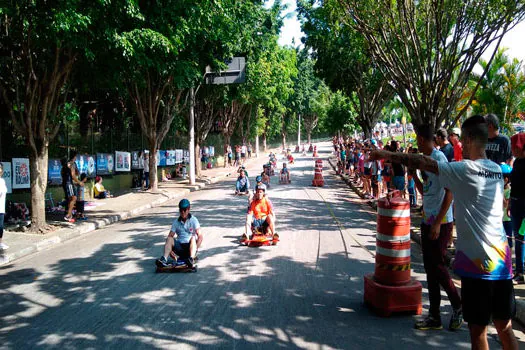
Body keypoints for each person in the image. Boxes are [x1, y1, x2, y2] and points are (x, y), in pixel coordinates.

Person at [370, 115, 517, 349]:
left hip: (478, 268)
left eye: (460, 141)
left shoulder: (464, 170)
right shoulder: (497, 171)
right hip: (503, 264)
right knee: (504, 327)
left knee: (478, 331)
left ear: (467, 140)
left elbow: (421, 161)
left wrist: (385, 155)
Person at [408, 125, 462, 331]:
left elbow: (450, 193)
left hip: (440, 222)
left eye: (417, 139)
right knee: (430, 270)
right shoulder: (426, 163)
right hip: (427, 219)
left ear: (422, 139)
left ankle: (458, 305)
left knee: (438, 267)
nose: (417, 143)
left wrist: (438, 223)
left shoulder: (440, 161)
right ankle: (434, 316)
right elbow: (427, 192)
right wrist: (413, 176)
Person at [156, 199, 202, 268]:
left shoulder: (193, 220)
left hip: (190, 247)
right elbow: (170, 236)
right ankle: (164, 260)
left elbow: (200, 236)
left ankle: (191, 259)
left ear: (188, 209)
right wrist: (170, 251)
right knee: (169, 238)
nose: (182, 212)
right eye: (181, 210)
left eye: (184, 210)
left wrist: (196, 249)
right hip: (180, 247)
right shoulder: (176, 222)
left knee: (193, 237)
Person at [510, 133, 525, 284]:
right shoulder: (516, 163)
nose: (512, 150)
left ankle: (521, 272)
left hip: (523, 206)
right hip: (515, 205)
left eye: (514, 147)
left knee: (521, 239)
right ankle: (519, 270)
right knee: (518, 239)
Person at [61, 157, 76, 223]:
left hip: (65, 184)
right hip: (69, 184)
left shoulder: (62, 169)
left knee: (69, 199)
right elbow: (73, 176)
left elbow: (63, 176)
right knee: (73, 198)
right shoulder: (69, 167)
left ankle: (68, 215)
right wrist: (79, 182)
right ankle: (68, 215)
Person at [501, 164, 513, 250]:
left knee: (508, 241)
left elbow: (506, 205)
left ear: (506, 179)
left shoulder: (509, 191)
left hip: (507, 220)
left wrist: (500, 193)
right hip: (500, 219)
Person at [0, 164, 8, 250]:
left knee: (0, 227)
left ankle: (0, 243)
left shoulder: (2, 181)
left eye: (1, 168)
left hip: (1, 208)